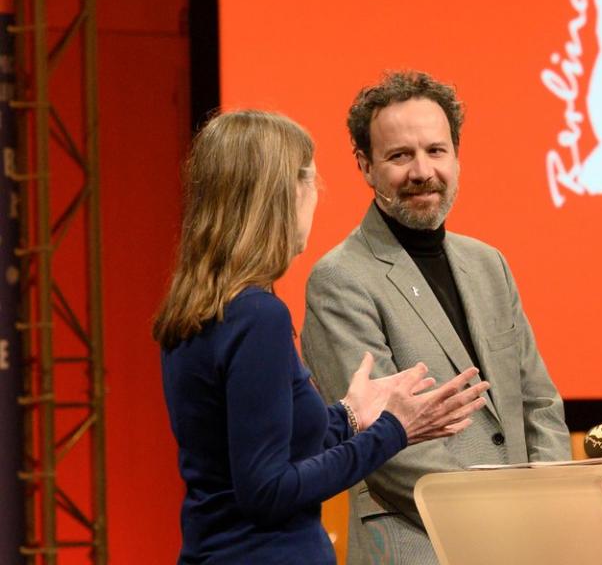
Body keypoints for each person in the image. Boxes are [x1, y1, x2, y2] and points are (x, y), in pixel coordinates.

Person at [154, 110, 488, 565]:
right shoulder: (258, 316)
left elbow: (254, 449)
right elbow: (267, 491)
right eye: (312, 181)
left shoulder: (198, 308)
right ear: (282, 194)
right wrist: (396, 430)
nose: (316, 197)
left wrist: (350, 416)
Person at [302, 72, 571, 565]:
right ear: (365, 165)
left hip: (527, 541)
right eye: (400, 155)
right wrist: (494, 519)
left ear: (456, 155)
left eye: (436, 150)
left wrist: (547, 507)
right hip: (417, 544)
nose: (422, 170)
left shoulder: (489, 263)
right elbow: (380, 440)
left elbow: (539, 403)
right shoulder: (339, 279)